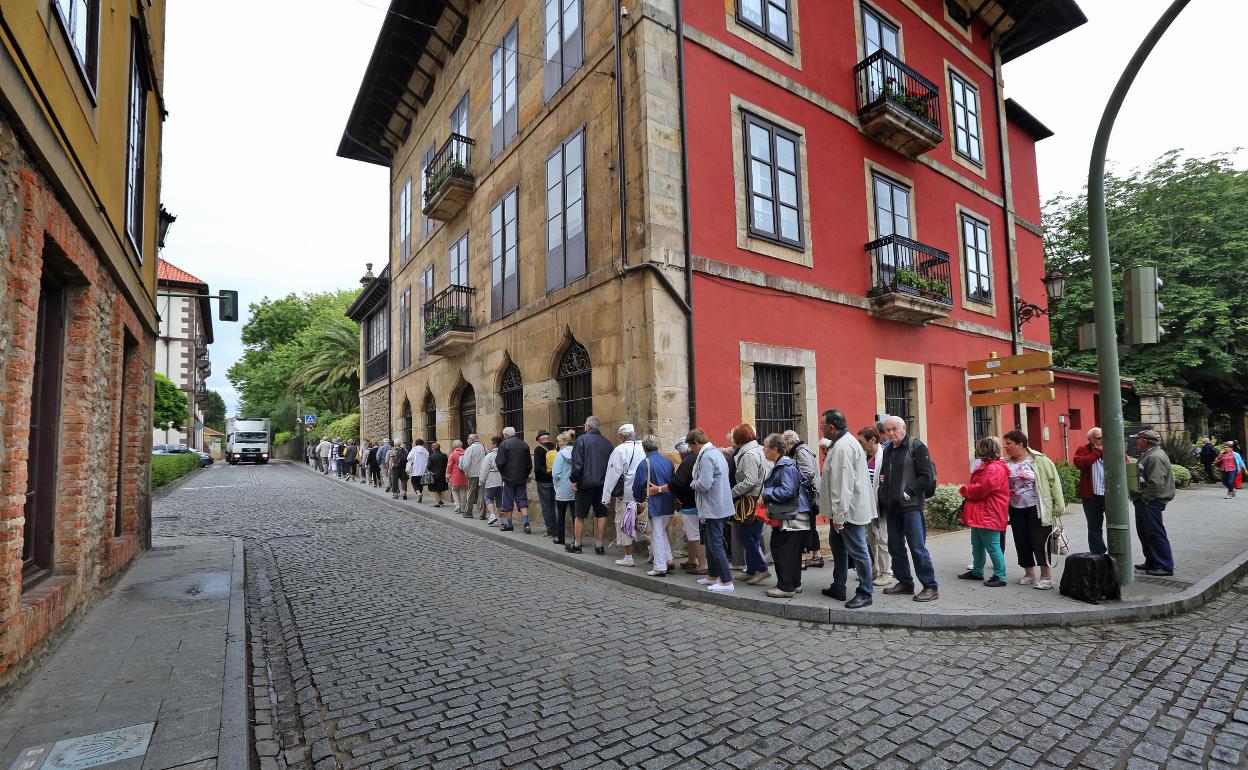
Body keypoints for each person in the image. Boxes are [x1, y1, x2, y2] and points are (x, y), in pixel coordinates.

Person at [878, 416, 939, 602]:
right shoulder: (888, 449)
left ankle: (930, 586)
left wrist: (908, 492)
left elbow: (926, 476)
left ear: (904, 428)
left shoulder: (916, 446)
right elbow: (886, 473)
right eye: (887, 430)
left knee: (917, 547)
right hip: (892, 507)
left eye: (894, 429)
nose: (890, 433)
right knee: (895, 547)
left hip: (911, 506)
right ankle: (905, 582)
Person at [818, 410, 875, 609]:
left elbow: (843, 486)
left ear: (832, 428)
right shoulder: (842, 443)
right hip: (843, 511)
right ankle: (839, 586)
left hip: (848, 512)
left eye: (822, 425)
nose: (821, 428)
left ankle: (865, 592)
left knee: (858, 550)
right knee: (839, 547)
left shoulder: (843, 448)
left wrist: (840, 516)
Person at [1002, 430, 1064, 589]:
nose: (1005, 447)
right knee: (1021, 540)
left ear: (1020, 444)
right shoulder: (1006, 462)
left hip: (1037, 507)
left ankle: (1046, 577)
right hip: (1015, 508)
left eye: (1009, 443)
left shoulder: (1039, 460)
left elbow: (1053, 483)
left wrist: (1058, 507)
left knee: (1040, 541)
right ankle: (1029, 573)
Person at [761, 433, 812, 598]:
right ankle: (794, 583)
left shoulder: (785, 466)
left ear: (775, 450)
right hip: (797, 513)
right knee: (792, 551)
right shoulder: (786, 464)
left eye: (766, 446)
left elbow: (787, 490)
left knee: (781, 549)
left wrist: (767, 494)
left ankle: (785, 586)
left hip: (792, 514)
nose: (763, 450)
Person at [957, 437, 1010, 587]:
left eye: (979, 448)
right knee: (978, 543)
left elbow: (981, 489)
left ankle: (1000, 576)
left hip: (989, 512)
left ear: (984, 449)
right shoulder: (991, 467)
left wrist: (965, 490)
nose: (977, 450)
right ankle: (977, 571)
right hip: (984, 512)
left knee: (992, 546)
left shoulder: (993, 468)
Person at [687, 428, 734, 592]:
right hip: (718, 504)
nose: (691, 451)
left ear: (696, 444)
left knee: (715, 544)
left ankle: (727, 581)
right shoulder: (716, 453)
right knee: (709, 541)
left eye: (691, 447)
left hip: (714, 506)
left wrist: (693, 483)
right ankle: (713, 575)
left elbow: (704, 484)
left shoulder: (707, 457)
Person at [729, 424, 770, 584]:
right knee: (751, 536)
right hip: (757, 498)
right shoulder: (758, 450)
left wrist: (731, 492)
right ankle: (753, 569)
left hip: (750, 500)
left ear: (740, 438)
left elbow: (750, 481)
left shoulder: (748, 454)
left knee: (746, 536)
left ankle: (761, 569)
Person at [602, 424, 647, 566]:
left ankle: (628, 557)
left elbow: (612, 474)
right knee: (643, 521)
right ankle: (653, 552)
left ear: (622, 436)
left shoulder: (620, 450)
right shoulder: (643, 447)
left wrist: (606, 496)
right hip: (643, 491)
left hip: (627, 493)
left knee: (625, 522)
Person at [1131, 429, 1175, 576]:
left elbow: (1156, 482)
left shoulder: (1155, 456)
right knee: (1146, 532)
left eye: (1137, 439)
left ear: (1144, 440)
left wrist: (1145, 499)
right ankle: (1152, 561)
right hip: (1149, 500)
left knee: (1154, 533)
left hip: (1151, 501)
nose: (1135, 441)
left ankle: (1164, 565)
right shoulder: (1152, 454)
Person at [568, 416, 614, 554]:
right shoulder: (607, 442)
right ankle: (599, 545)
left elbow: (577, 464)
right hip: (602, 484)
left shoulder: (581, 440)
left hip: (585, 483)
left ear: (587, 426)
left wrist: (574, 479)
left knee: (580, 514)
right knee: (601, 514)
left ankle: (577, 544)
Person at [855, 426, 893, 586]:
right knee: (870, 540)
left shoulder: (885, 457)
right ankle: (873, 571)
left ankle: (887, 573)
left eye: (862, 441)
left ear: (873, 440)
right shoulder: (862, 456)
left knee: (882, 539)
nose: (860, 444)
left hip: (881, 506)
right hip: (866, 506)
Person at [782, 430, 823, 571]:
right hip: (810, 495)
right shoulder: (801, 450)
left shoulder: (800, 451)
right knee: (810, 525)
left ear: (789, 442)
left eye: (784, 444)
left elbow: (808, 472)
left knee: (803, 526)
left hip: (807, 496)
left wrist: (795, 483)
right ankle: (816, 556)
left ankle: (803, 559)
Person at [636, 435, 676, 577]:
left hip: (655, 502)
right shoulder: (668, 461)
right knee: (662, 531)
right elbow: (673, 482)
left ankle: (660, 566)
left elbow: (639, 485)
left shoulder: (645, 463)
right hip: (668, 500)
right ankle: (668, 559)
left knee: (657, 534)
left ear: (644, 448)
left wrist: (638, 501)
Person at [669, 440, 706, 575]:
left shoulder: (687, 461)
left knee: (694, 535)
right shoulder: (697, 458)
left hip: (690, 503)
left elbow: (677, 482)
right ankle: (691, 560)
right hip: (697, 502)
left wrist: (664, 489)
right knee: (692, 534)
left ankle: (703, 564)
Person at [1072, 427, 1108, 555]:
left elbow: (1124, 461)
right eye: (1099, 438)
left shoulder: (1112, 446)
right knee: (1094, 526)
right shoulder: (1084, 449)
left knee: (1115, 525)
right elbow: (1079, 463)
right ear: (1091, 440)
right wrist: (1097, 452)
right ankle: (1098, 554)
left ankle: (1116, 552)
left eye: (1103, 437)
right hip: (1091, 496)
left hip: (1110, 495)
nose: (1102, 440)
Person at [496, 427, 533, 533]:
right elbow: (529, 464)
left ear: (506, 435)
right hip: (521, 478)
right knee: (522, 500)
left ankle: (510, 524)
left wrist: (503, 474)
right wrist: (525, 475)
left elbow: (500, 462)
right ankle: (526, 523)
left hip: (508, 479)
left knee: (508, 501)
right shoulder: (524, 444)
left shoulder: (504, 444)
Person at [551, 431, 576, 545]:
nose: (558, 443)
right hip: (575, 487)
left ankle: (560, 537)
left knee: (560, 514)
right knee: (576, 515)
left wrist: (557, 485)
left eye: (559, 441)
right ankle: (577, 538)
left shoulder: (560, 455)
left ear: (565, 441)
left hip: (562, 488)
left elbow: (556, 473)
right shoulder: (577, 453)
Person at [533, 430, 558, 538]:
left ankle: (550, 531)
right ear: (547, 437)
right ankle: (558, 529)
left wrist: (546, 475)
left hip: (543, 482)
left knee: (546, 507)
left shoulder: (539, 449)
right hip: (556, 481)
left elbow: (538, 468)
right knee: (556, 506)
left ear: (539, 439)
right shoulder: (556, 447)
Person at [460, 434, 486, 520]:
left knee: (470, 493)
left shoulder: (470, 449)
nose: (467, 440)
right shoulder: (484, 447)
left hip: (473, 474)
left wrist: (466, 472)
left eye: (468, 439)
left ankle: (468, 512)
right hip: (483, 474)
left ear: (471, 440)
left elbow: (466, 464)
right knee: (482, 494)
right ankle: (482, 513)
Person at [481, 436, 503, 526]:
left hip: (491, 480)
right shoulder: (504, 454)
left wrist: (482, 480)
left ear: (494, 444)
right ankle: (500, 518)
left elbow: (484, 469)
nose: (489, 445)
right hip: (501, 480)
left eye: (491, 443)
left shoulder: (489, 456)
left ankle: (493, 516)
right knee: (499, 500)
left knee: (488, 498)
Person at [446, 440, 468, 514]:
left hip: (455, 474)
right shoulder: (466, 453)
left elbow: (449, 466)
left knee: (454, 490)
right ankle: (463, 508)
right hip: (464, 474)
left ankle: (457, 505)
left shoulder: (453, 454)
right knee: (463, 491)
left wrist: (448, 475)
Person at [406, 438, 430, 503]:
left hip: (415, 469)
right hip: (423, 469)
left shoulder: (414, 449)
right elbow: (428, 457)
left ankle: (418, 493)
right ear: (422, 443)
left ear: (416, 443)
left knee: (414, 482)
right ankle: (420, 497)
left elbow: (408, 457)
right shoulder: (425, 450)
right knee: (420, 483)